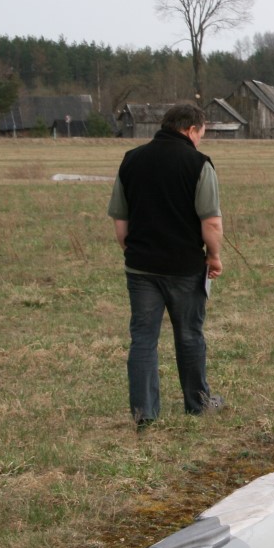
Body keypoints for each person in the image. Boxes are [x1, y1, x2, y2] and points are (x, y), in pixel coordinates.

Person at [107, 103, 225, 429]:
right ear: (190, 130)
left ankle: (144, 413)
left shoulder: (131, 159)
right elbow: (211, 223)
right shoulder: (199, 164)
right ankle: (198, 404)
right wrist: (214, 257)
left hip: (141, 269)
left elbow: (121, 222)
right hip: (185, 268)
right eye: (201, 134)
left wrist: (135, 253)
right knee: (189, 336)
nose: (201, 141)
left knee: (143, 339)